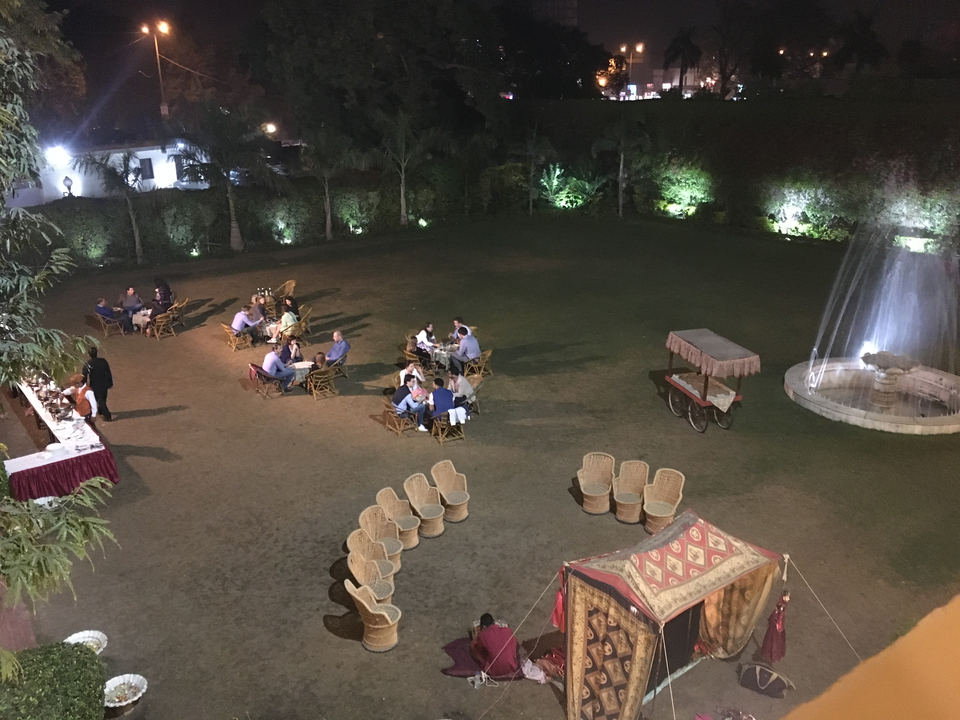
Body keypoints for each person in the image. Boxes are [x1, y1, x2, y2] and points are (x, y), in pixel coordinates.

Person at [470, 613, 519, 677]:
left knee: (473, 644)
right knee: (513, 639)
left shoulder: (483, 635)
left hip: (494, 670)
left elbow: (480, 649)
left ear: (483, 627)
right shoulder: (507, 630)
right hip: (511, 667)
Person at [82, 347, 114, 422]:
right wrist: (110, 382)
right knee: (103, 398)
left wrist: (84, 384)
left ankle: (107, 415)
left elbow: (84, 375)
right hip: (104, 383)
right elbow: (108, 372)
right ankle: (101, 411)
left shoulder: (88, 364)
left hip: (95, 384)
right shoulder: (103, 361)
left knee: (100, 400)